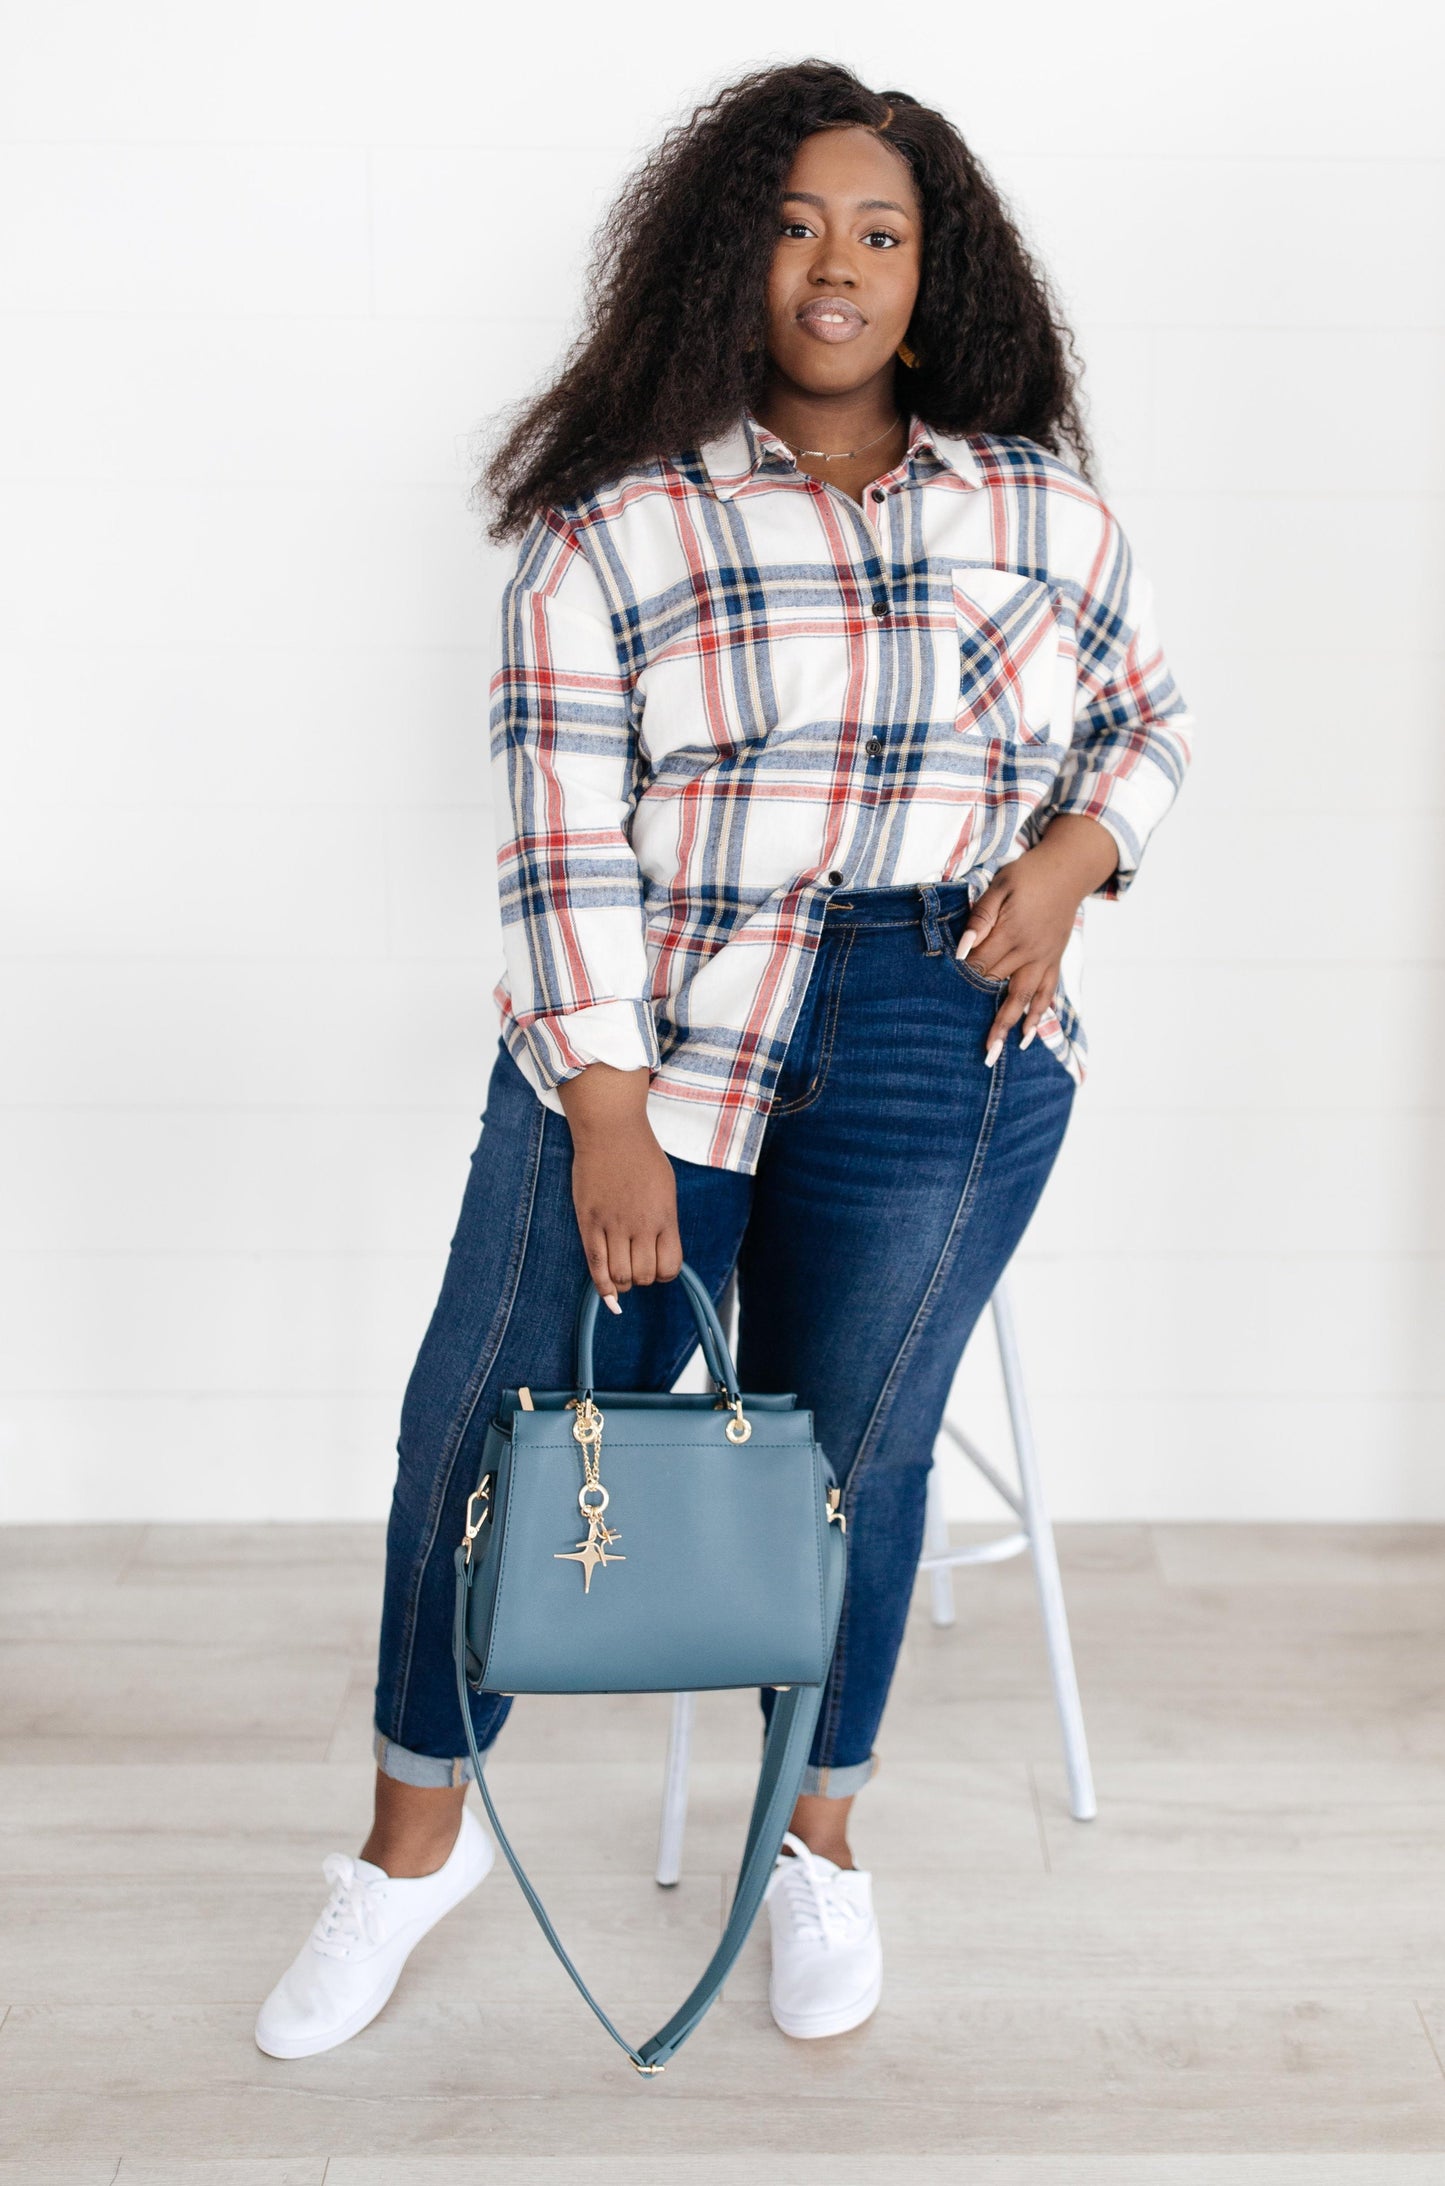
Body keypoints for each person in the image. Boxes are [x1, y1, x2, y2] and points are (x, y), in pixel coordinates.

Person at [255, 58, 1193, 2061]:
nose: (837, 268)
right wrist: (604, 1102)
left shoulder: (1037, 504)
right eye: (794, 227)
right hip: (658, 1034)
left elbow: (1147, 725)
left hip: (946, 1028)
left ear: (939, 274)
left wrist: (1077, 853)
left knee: (847, 1471)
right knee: (482, 1438)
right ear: (724, 259)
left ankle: (815, 1842)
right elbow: (560, 832)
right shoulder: (614, 530)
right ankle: (415, 1843)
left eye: (882, 232)